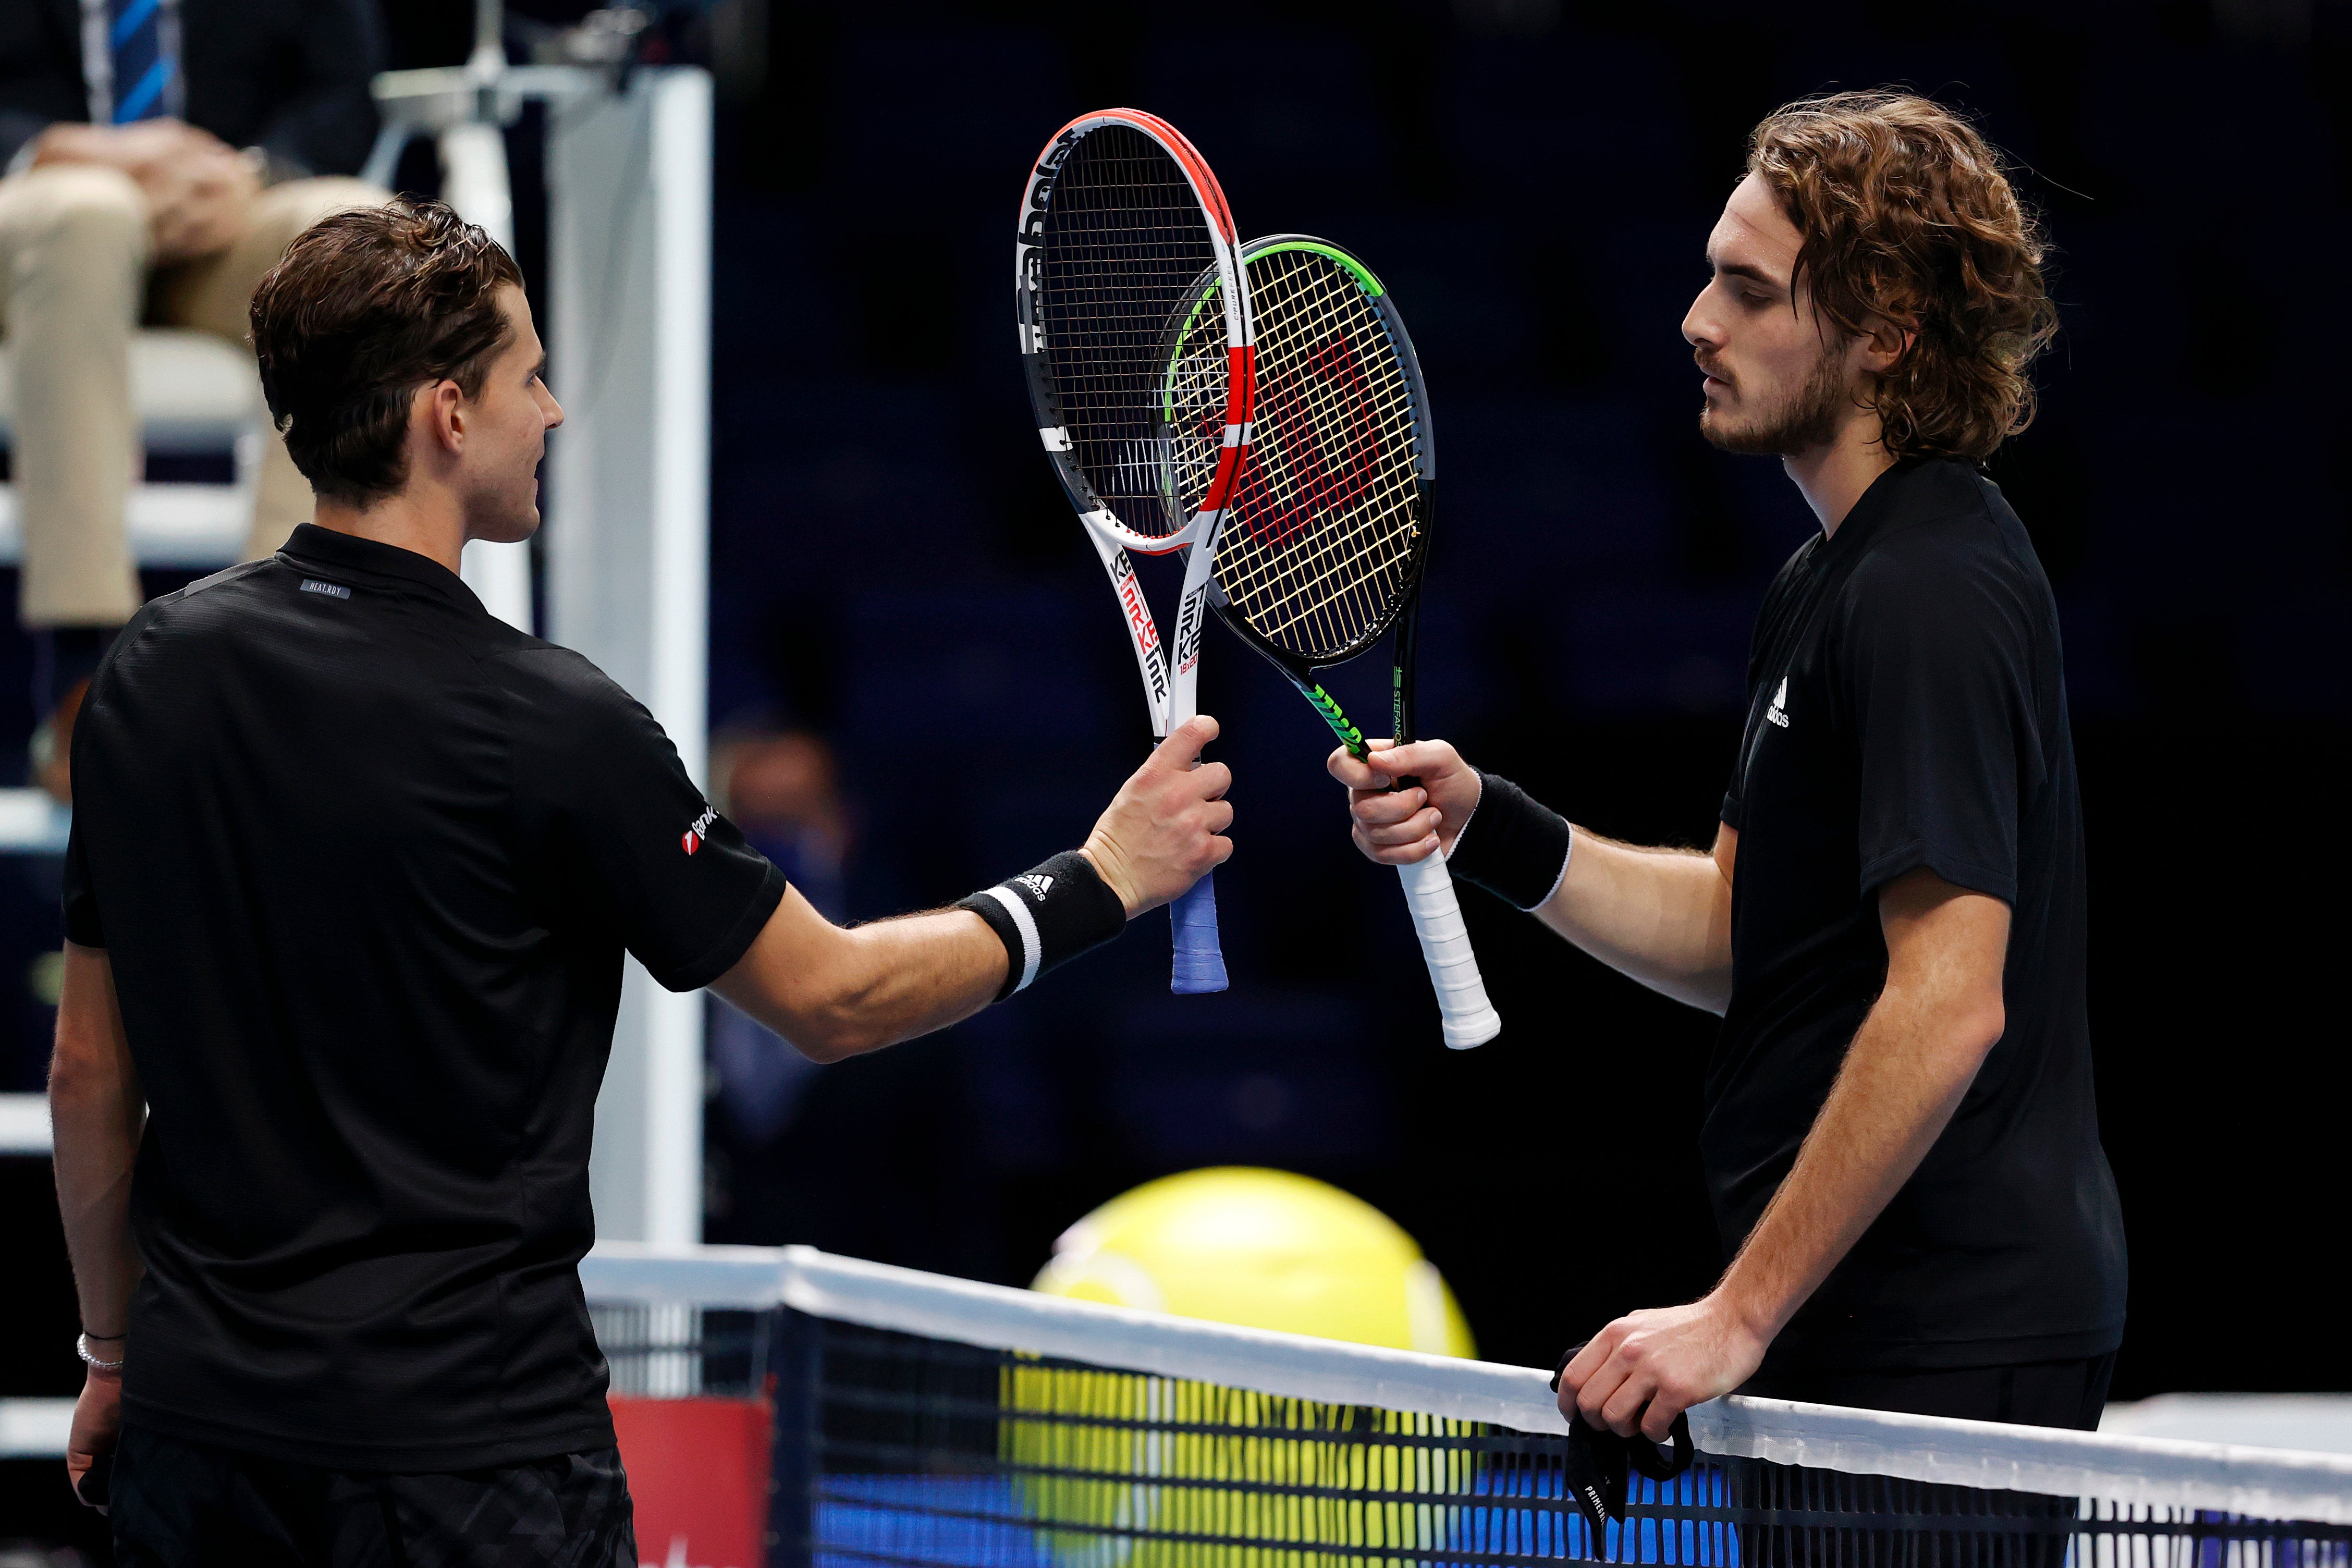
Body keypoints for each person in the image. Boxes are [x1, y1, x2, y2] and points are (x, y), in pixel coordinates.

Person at [46, 199, 1234, 1563]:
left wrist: (115, 1349)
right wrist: (1100, 883)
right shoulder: (554, 724)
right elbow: (833, 1000)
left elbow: (89, 1073)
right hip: (469, 1474)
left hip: (200, 1450)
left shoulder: (146, 676)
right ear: (446, 415)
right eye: (528, 378)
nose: (550, 412)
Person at [1333, 91, 2124, 1436]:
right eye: (1712, 276)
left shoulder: (1929, 586)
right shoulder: (1829, 577)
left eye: (1749, 292)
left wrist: (1736, 1311)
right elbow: (1735, 933)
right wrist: (1491, 829)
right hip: (1859, 1318)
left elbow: (1950, 1001)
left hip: (1945, 1339)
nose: (1697, 320)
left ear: (1886, 332)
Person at [0, 0, 387, 799]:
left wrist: (246, 176)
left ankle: (274, 668)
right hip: (37, 216)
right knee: (89, 209)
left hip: (218, 214)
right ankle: (86, 678)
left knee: (340, 228)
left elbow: (344, 93)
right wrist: (60, 150)